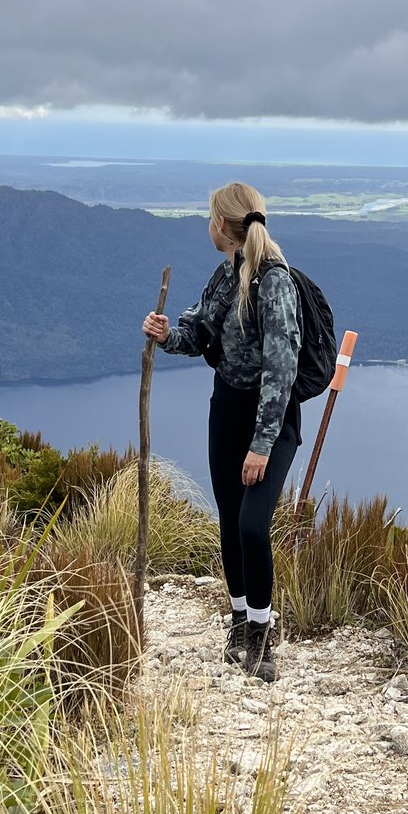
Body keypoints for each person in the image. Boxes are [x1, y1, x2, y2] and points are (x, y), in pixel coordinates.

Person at [142, 181, 301, 682]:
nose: (206, 225)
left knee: (253, 525)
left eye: (209, 218)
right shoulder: (225, 275)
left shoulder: (275, 283)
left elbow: (281, 371)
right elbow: (199, 332)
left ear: (222, 226)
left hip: (269, 423)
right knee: (231, 522)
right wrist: (167, 335)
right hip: (226, 411)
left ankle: (261, 636)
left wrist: (261, 445)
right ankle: (239, 624)